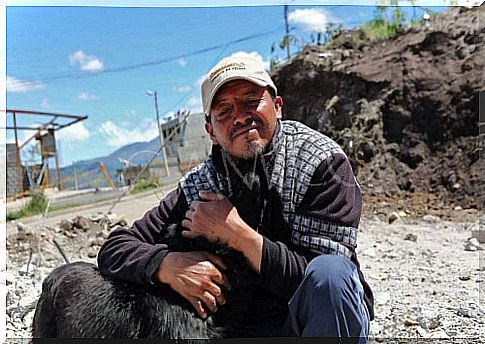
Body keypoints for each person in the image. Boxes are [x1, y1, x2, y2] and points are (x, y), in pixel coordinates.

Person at [97, 55, 374, 340]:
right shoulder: (199, 187)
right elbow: (115, 248)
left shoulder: (319, 162)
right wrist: (167, 265)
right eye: (224, 111)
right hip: (246, 327)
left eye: (251, 100)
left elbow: (323, 285)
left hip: (312, 321)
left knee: (330, 274)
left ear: (277, 107)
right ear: (211, 132)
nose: (240, 116)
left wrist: (237, 234)